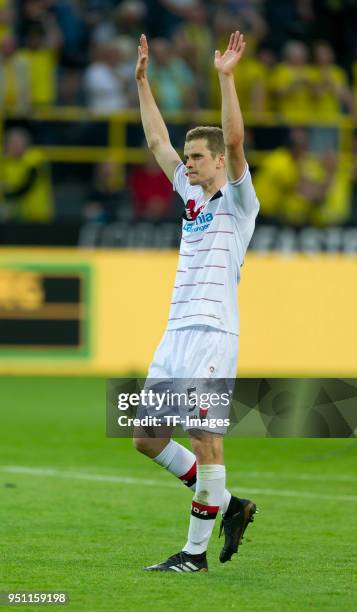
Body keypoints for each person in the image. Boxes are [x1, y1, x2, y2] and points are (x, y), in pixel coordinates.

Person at [133, 31, 259, 573]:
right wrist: (142, 84)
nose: (187, 163)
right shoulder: (188, 195)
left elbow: (234, 143)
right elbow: (157, 143)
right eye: (188, 157)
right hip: (176, 330)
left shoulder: (238, 199)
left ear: (216, 162)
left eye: (196, 157)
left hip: (212, 331)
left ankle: (193, 555)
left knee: (205, 439)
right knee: (146, 436)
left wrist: (226, 79)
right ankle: (230, 504)